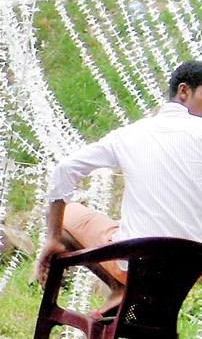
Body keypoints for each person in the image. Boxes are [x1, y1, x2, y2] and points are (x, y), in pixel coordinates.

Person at [35, 60, 202, 317]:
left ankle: (119, 287)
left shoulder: (130, 135)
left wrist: (53, 238)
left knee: (70, 214)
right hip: (190, 266)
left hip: (136, 261)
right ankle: (121, 290)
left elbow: (64, 170)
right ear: (184, 91)